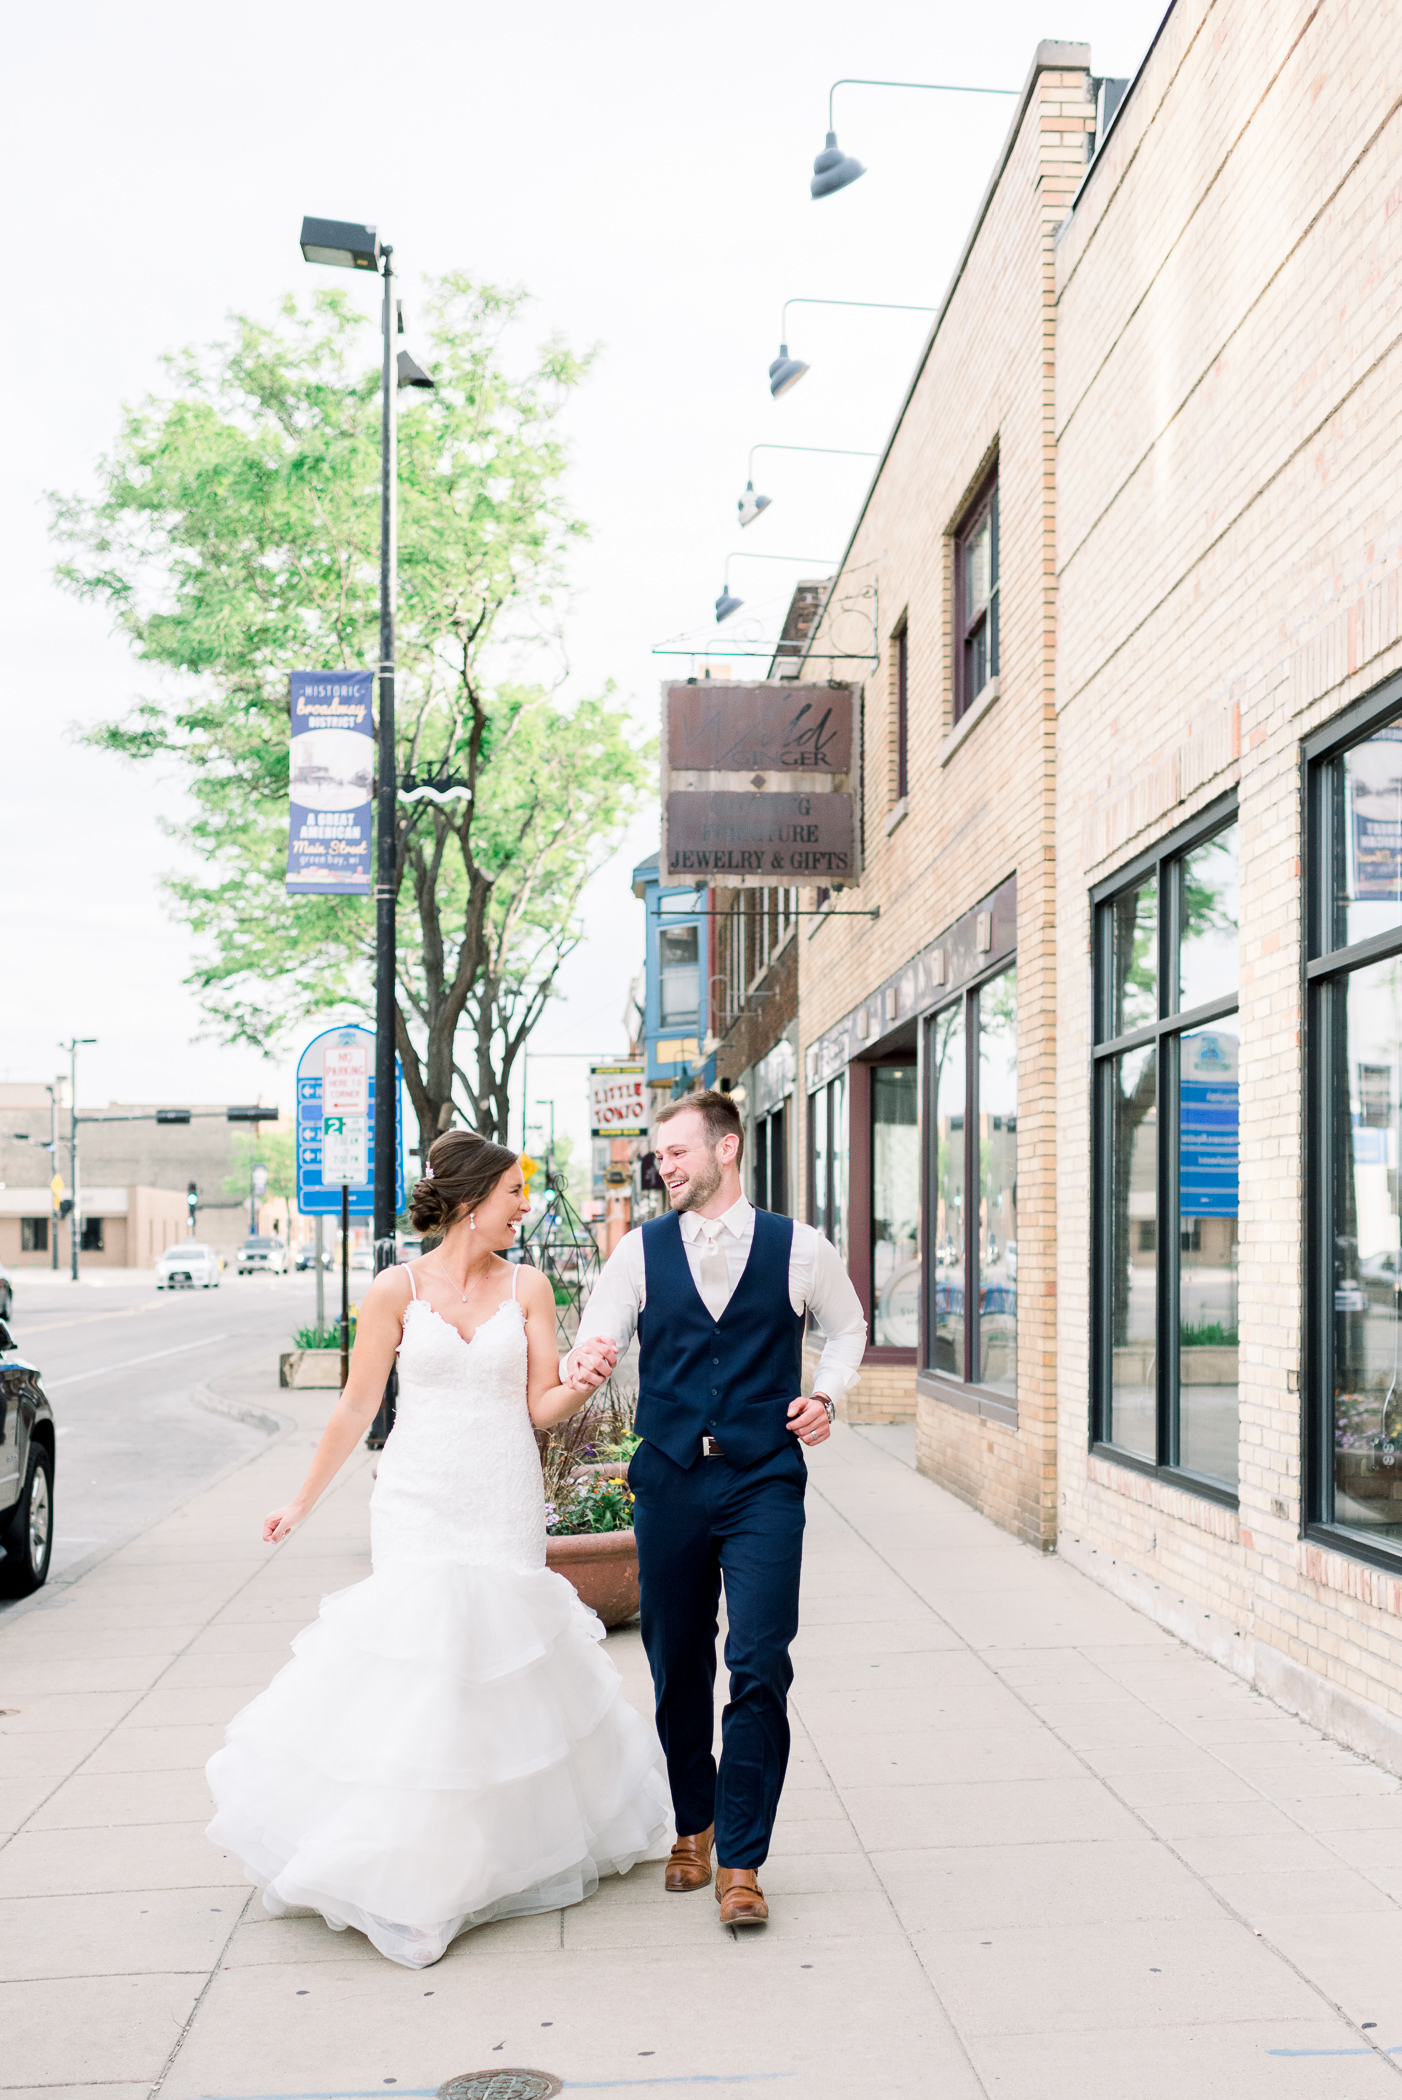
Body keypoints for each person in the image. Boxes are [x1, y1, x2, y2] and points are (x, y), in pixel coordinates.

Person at [205, 1130, 669, 1970]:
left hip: (499, 1495)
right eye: (513, 1194)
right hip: (418, 1497)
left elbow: (541, 1406)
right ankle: (414, 1883)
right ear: (468, 1199)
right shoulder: (394, 1290)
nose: (523, 1208)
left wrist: (587, 1377)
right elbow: (355, 1408)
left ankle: (484, 1858)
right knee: (423, 1672)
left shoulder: (528, 1285)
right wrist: (300, 1501)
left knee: (491, 1672)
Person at [562, 1089, 865, 1928]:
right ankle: (690, 1825)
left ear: (727, 1149)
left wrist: (828, 1396)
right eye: (660, 1156)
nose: (665, 1166)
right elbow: (604, 1330)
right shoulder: (639, 1250)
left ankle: (742, 1858)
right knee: (677, 1663)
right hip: (669, 1478)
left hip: (764, 1477)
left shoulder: (801, 1250)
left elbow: (848, 1329)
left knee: (761, 1661)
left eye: (678, 1152)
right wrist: (590, 1354)